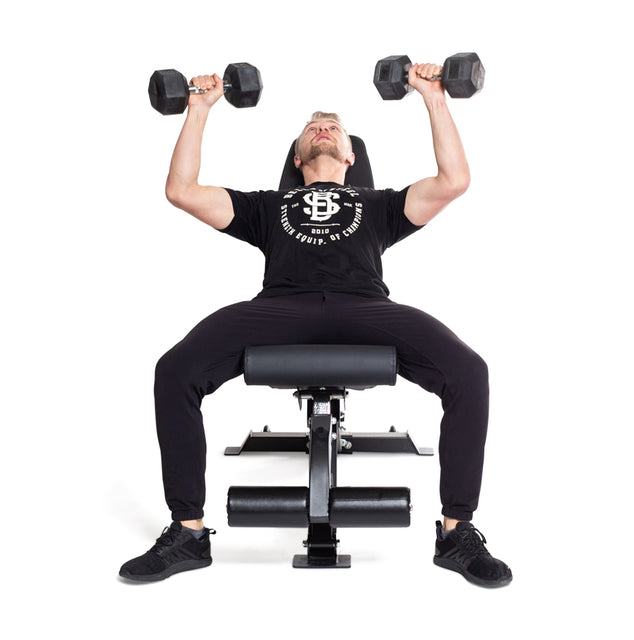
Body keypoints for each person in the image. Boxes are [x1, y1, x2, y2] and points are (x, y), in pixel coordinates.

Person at [119, 63, 512, 588]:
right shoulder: (267, 206)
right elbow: (182, 190)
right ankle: (188, 532)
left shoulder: (382, 205)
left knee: (469, 371)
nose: (322, 127)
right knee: (175, 369)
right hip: (281, 306)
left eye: (333, 127)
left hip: (365, 307)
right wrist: (198, 109)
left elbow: (453, 181)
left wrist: (433, 97)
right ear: (298, 156)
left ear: (351, 155)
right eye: (311, 128)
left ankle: (457, 532)